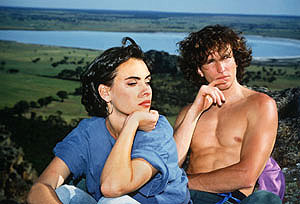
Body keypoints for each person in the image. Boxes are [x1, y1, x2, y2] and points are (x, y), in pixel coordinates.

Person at [27, 37, 191, 204]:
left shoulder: (157, 130)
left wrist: (132, 123)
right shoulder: (89, 132)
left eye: (147, 81)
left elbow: (113, 187)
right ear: (105, 93)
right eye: (133, 83)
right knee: (63, 193)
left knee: (114, 202)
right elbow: (40, 188)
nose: (146, 91)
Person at [174, 25, 282, 203]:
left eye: (226, 58)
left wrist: (182, 182)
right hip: (189, 198)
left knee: (267, 200)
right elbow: (170, 166)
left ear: (236, 60)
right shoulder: (188, 112)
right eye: (210, 61)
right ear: (200, 70)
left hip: (231, 198)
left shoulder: (260, 105)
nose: (221, 68)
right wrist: (194, 112)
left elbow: (247, 176)